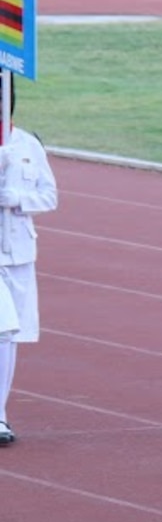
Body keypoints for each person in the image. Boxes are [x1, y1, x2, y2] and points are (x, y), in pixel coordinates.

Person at [0, 91, 59, 447]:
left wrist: (17, 199)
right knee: (3, 328)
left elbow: (50, 196)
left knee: (11, 333)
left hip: (18, 251)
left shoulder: (28, 144)